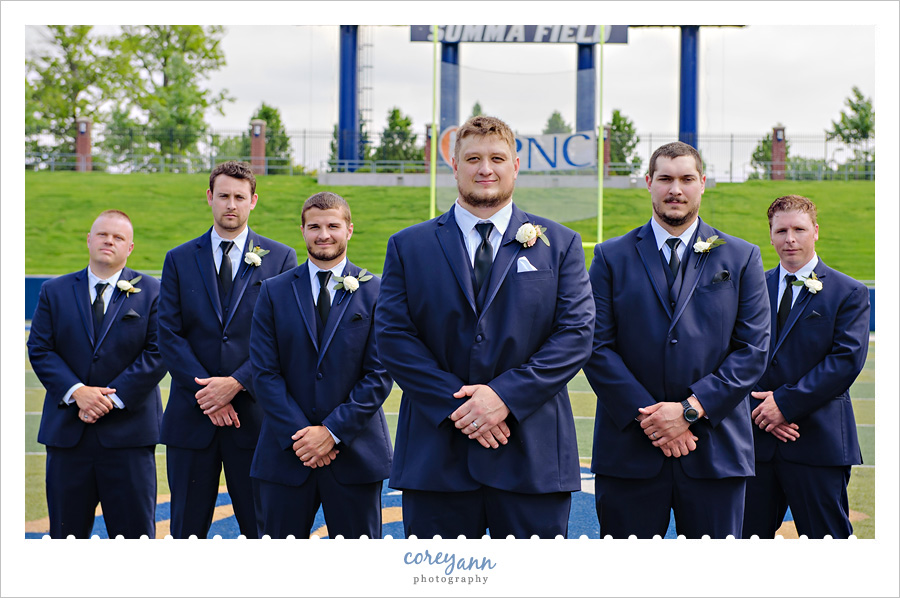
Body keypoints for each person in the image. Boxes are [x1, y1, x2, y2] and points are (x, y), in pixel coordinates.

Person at [375, 115, 594, 539]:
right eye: (472, 158)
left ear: (516, 163)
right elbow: (394, 337)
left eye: (496, 158)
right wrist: (462, 406)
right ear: (454, 165)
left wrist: (504, 398)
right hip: (437, 458)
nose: (485, 169)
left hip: (532, 456)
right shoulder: (409, 245)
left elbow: (576, 334)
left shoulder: (561, 243)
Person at [583, 141, 770, 539]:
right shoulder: (610, 256)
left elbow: (752, 351)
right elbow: (595, 346)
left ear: (702, 183)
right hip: (630, 451)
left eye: (686, 179)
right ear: (648, 183)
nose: (675, 189)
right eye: (665, 178)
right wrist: (651, 419)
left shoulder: (742, 257)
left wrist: (688, 411)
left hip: (715, 451)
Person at [158, 161, 297, 538]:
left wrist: (235, 383)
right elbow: (168, 334)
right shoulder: (179, 258)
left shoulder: (281, 258)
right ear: (209, 198)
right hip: (192, 415)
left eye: (239, 197)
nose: (230, 204)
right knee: (186, 529)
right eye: (223, 196)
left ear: (253, 201)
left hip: (254, 418)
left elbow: (284, 337)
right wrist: (209, 392)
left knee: (261, 528)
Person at [249, 192, 393, 539]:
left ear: (349, 230)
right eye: (314, 226)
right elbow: (264, 372)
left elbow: (380, 373)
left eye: (333, 226)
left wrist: (330, 432)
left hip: (354, 452)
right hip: (287, 451)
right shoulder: (273, 291)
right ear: (302, 230)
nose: (323, 234)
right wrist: (303, 436)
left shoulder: (376, 292)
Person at [28, 209, 166, 538]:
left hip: (130, 437)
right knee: (67, 535)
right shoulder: (54, 291)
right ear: (89, 239)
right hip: (68, 437)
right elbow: (40, 349)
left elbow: (159, 352)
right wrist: (78, 392)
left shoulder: (153, 291)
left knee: (134, 537)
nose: (109, 241)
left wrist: (110, 399)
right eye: (103, 234)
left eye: (118, 237)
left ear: (130, 248)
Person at [742, 195, 869, 539]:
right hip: (756, 440)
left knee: (827, 544)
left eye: (799, 229)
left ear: (815, 231)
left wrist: (784, 404)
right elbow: (734, 355)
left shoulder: (849, 291)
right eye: (781, 230)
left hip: (817, 441)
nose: (790, 239)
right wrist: (762, 410)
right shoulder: (750, 288)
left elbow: (845, 361)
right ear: (770, 236)